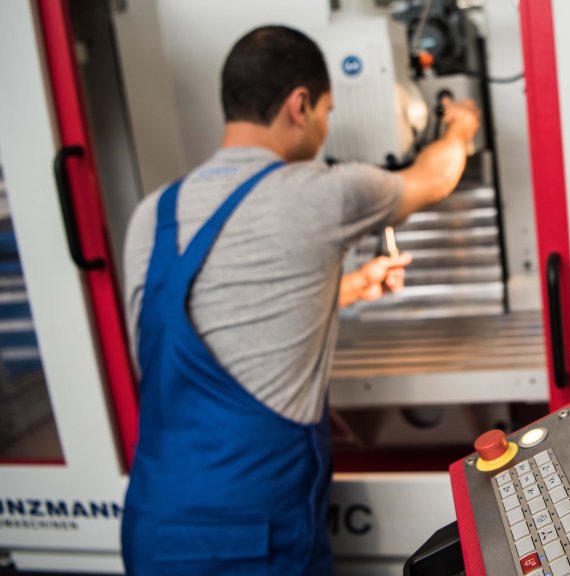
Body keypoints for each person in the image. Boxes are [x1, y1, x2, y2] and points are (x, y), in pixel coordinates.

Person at [119, 25, 479, 575]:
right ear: (300, 104)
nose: (326, 128)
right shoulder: (319, 191)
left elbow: (216, 321)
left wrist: (351, 288)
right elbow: (434, 178)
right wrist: (461, 126)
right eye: (327, 111)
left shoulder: (153, 213)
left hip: (152, 527)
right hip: (250, 538)